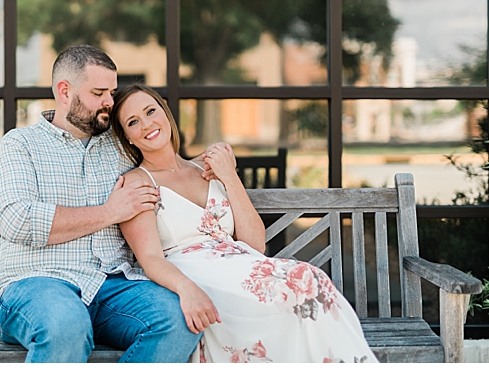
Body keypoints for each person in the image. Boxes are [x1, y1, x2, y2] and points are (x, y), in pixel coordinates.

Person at [110, 83, 377, 363]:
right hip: (197, 278)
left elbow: (254, 243)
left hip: (242, 264)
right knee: (300, 286)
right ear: (127, 137)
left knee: (311, 279)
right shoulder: (137, 183)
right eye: (133, 122)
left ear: (166, 113)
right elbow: (150, 259)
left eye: (151, 111)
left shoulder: (206, 168)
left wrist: (229, 175)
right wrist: (187, 290)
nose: (146, 124)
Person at [0, 45, 202, 362]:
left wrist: (207, 164)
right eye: (99, 92)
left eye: (112, 92)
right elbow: (17, 220)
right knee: (66, 325)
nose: (109, 103)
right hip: (38, 284)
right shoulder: (20, 144)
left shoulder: (119, 145)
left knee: (179, 320)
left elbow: (163, 163)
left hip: (113, 286)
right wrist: (110, 212)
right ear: (64, 92)